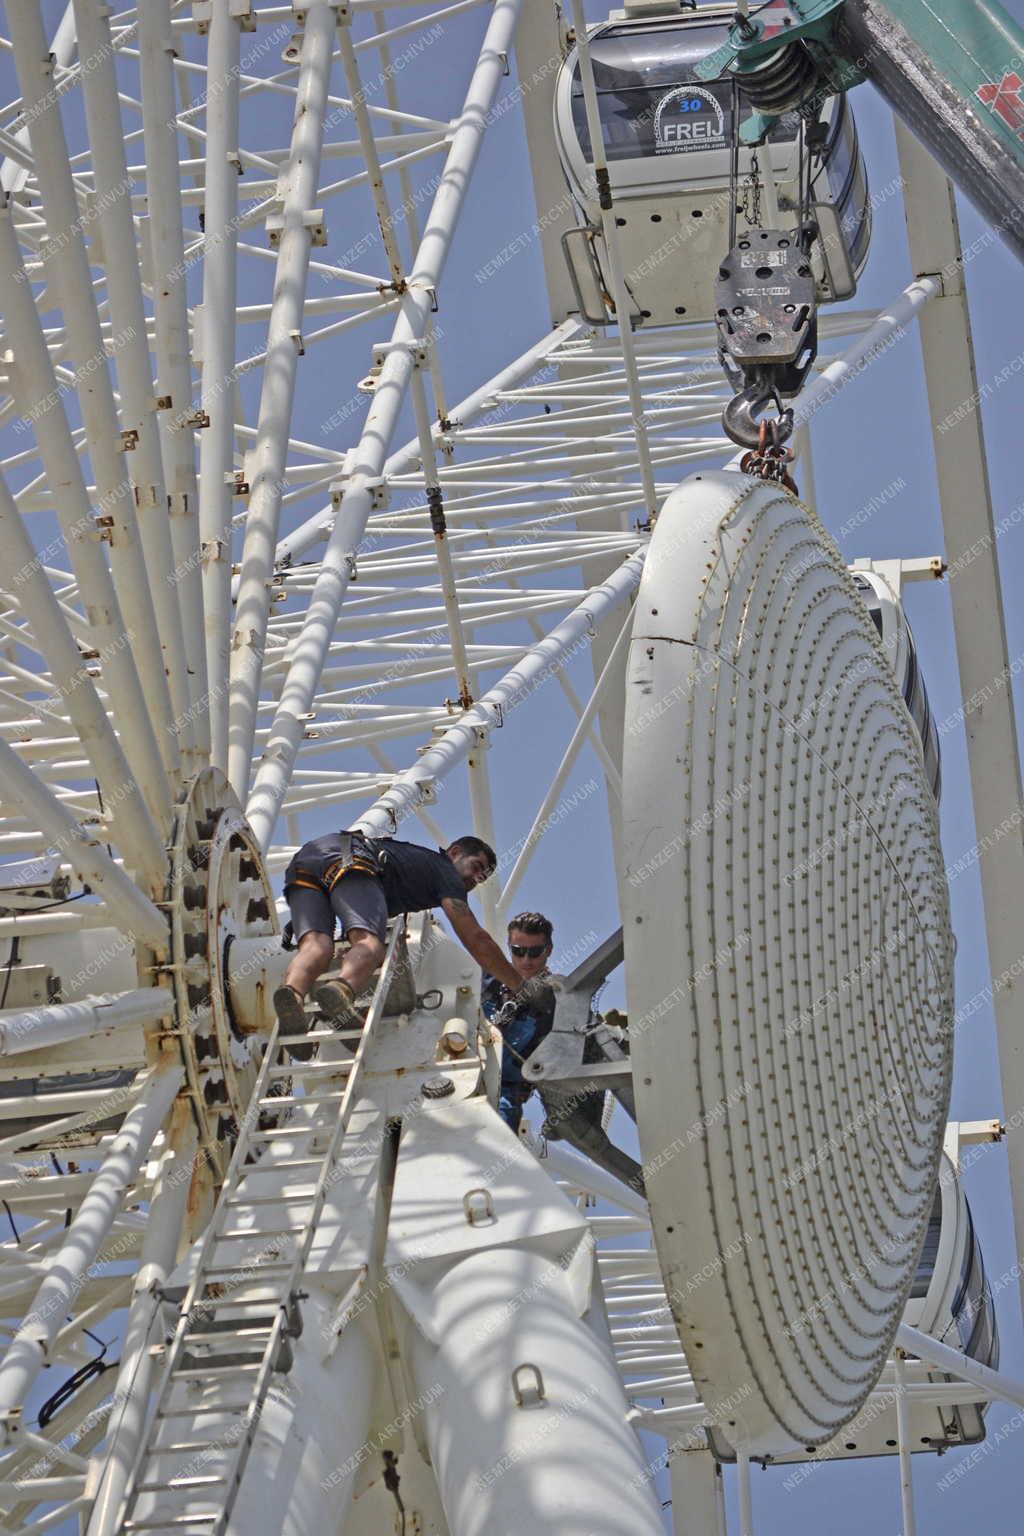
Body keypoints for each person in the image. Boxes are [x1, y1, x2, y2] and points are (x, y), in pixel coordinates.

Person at [274, 829, 544, 1053]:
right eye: (475, 868)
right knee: (370, 944)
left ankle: (293, 998)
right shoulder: (445, 873)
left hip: (306, 862)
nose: (475, 879)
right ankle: (341, 991)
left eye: (482, 878)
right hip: (352, 859)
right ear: (454, 853)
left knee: (315, 946)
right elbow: (475, 939)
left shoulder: (414, 862)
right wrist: (520, 986)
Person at [481, 912, 557, 1133]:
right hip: (462, 1070)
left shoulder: (557, 1002)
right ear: (509, 947)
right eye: (518, 951)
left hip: (505, 1091)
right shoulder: (484, 980)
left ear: (548, 950)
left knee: (500, 1138)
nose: (526, 960)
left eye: (535, 952)